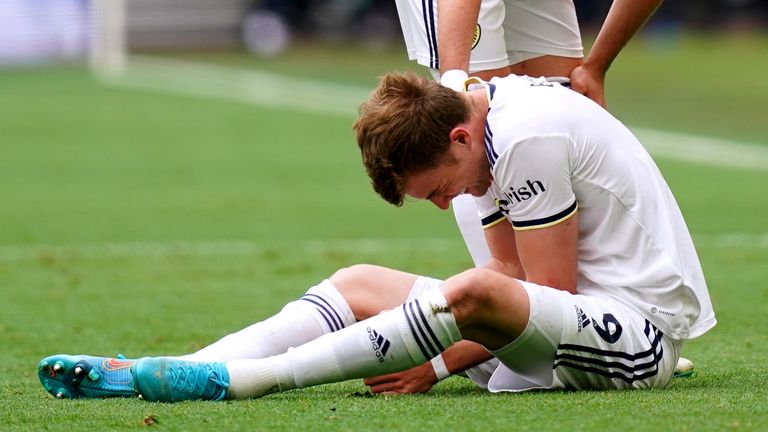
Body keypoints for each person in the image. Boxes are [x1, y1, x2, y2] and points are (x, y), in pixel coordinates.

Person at [38, 72, 714, 402]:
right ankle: (181, 368)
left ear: (458, 137)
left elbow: (546, 292)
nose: (445, 203)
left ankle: (241, 381)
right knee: (358, 281)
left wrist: (439, 361)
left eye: (439, 189)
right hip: (558, 336)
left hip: (636, 338)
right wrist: (446, 345)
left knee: (472, 291)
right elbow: (518, 289)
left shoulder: (530, 136)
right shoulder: (479, 137)